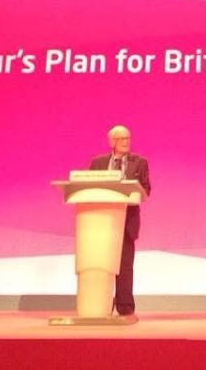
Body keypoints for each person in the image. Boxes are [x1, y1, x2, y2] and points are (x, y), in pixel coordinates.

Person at [88, 124, 151, 318]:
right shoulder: (97, 163)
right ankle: (100, 304)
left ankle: (125, 306)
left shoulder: (139, 162)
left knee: (124, 266)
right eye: (121, 138)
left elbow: (146, 189)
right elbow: (88, 186)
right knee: (101, 264)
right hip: (101, 219)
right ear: (112, 142)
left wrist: (135, 191)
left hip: (126, 219)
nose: (126, 141)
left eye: (127, 138)